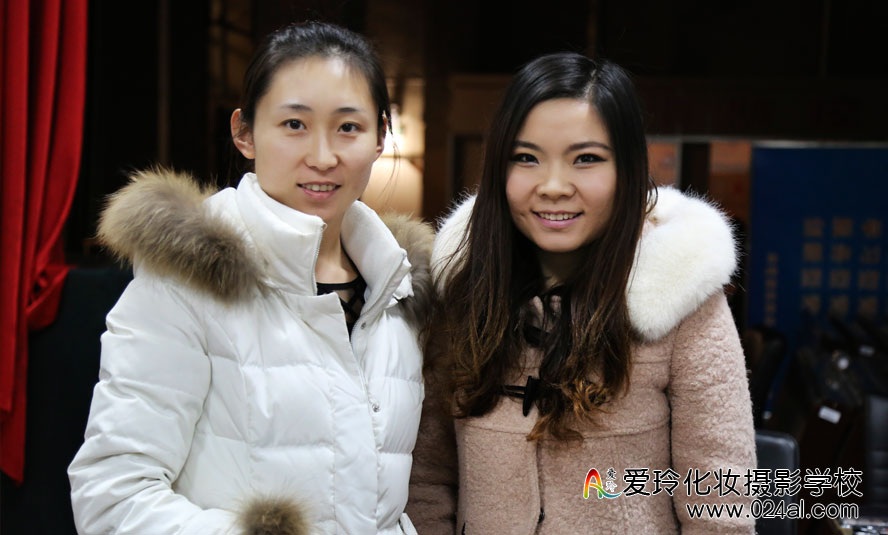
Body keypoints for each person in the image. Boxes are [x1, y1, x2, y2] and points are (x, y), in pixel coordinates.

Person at [69, 22, 432, 535]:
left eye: (348, 127)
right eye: (294, 124)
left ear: (380, 138)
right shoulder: (185, 282)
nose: (323, 156)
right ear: (244, 133)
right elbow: (112, 496)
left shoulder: (400, 288)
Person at [407, 52, 756, 534]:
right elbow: (426, 483)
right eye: (526, 158)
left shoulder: (682, 298)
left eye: (586, 159)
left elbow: (721, 503)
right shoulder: (465, 289)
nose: (553, 186)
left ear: (627, 168)